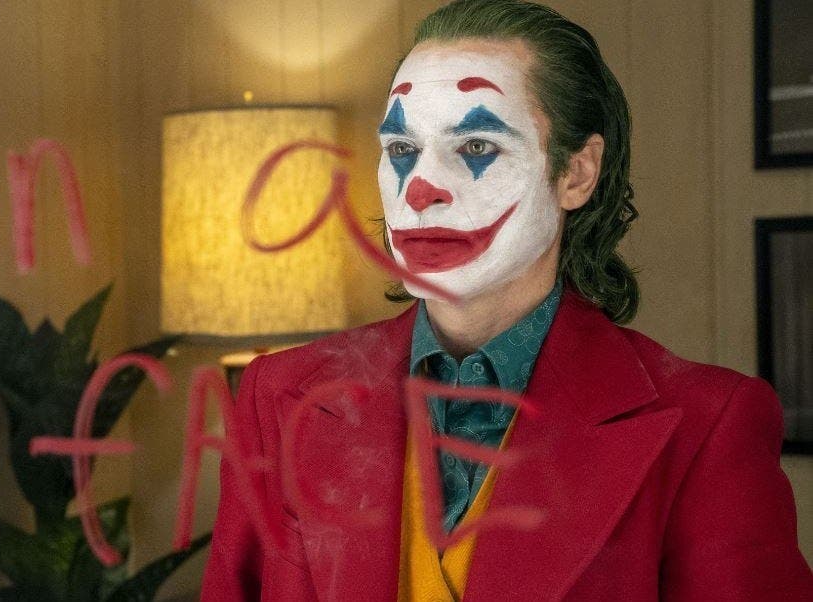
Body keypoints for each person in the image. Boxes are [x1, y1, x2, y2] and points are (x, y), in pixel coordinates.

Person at [201, 1, 813, 600]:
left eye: (476, 147)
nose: (421, 190)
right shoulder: (277, 398)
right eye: (402, 150)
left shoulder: (709, 424)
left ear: (577, 173)